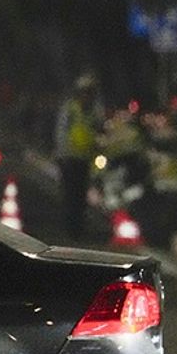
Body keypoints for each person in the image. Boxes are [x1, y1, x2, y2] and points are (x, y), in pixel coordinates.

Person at [53, 74, 104, 240]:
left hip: (84, 159)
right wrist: (62, 155)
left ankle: (78, 228)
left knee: (81, 195)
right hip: (69, 158)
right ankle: (70, 228)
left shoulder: (94, 113)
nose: (87, 96)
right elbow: (61, 133)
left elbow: (97, 133)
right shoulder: (70, 110)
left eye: (90, 93)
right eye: (85, 92)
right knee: (69, 194)